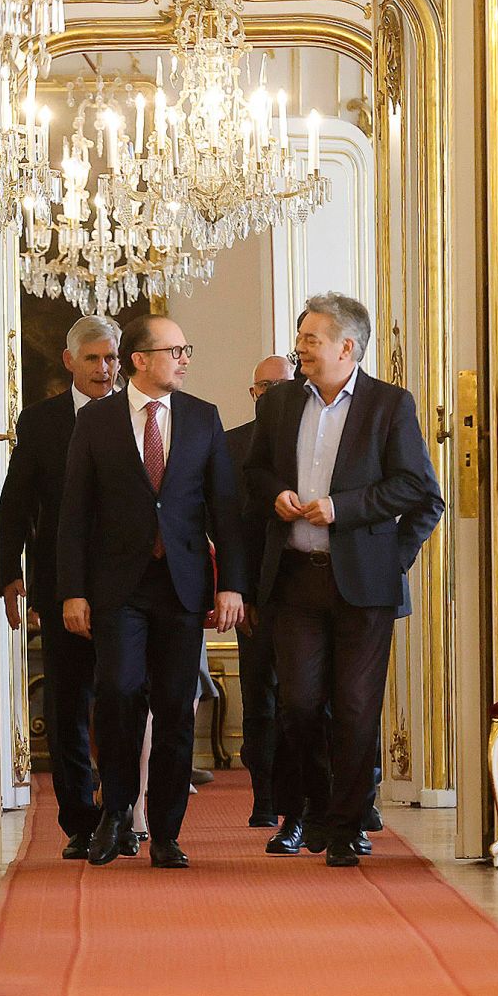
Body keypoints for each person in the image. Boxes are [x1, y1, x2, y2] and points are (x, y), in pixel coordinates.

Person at [246, 293, 444, 866]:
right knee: (300, 706)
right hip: (294, 582)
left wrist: (352, 517)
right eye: (301, 337)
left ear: (346, 347)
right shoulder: (280, 403)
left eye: (311, 339)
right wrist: (275, 496)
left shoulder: (390, 405)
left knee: (357, 709)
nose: (301, 348)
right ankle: (307, 809)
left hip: (363, 585)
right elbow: (253, 473)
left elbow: (419, 491)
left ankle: (345, 825)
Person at [58, 314, 245, 869]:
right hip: (118, 587)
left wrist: (231, 584)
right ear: (140, 359)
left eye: (187, 349)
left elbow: (225, 510)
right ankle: (116, 811)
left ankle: (165, 830)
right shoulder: (96, 422)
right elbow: (75, 514)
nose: (185, 359)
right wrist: (73, 590)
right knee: (117, 691)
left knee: (174, 709)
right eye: (175, 350)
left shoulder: (202, 418)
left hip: (182, 588)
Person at [0, 314, 120, 859]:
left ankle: (122, 812)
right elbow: (16, 504)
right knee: (69, 701)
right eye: (93, 358)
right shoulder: (42, 423)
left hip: (125, 585)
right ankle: (80, 820)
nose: (104, 368)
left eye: (112, 358)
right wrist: (8, 572)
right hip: (59, 582)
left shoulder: (138, 417)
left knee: (122, 698)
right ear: (70, 362)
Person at [225, 353, 296, 827]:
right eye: (260, 388)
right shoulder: (230, 446)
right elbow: (228, 526)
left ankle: (310, 800)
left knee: (306, 700)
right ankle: (264, 797)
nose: (267, 396)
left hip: (304, 589)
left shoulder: (309, 440)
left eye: (278, 387)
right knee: (259, 698)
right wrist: (239, 591)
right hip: (253, 593)